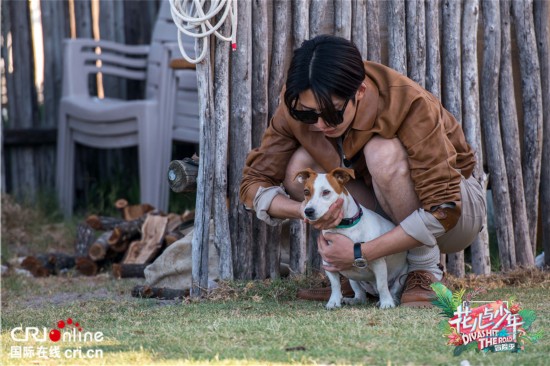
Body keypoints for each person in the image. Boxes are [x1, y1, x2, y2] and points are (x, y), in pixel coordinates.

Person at [239, 34, 486, 307]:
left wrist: (359, 252)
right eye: (308, 115)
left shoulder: (408, 100)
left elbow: (445, 208)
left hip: (455, 212)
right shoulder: (297, 103)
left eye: (332, 114)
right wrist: (303, 210)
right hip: (382, 208)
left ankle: (423, 270)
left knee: (382, 152)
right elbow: (253, 184)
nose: (320, 124)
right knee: (300, 165)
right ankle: (359, 278)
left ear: (360, 92)